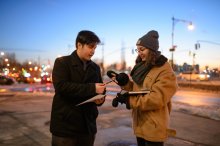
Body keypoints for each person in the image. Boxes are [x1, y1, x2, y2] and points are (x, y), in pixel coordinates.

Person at [111, 30, 178, 146]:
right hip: (140, 124)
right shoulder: (141, 66)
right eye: (138, 50)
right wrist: (125, 83)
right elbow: (138, 90)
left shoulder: (164, 69)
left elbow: (156, 98)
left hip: (154, 126)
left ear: (151, 50)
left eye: (142, 49)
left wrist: (129, 100)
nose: (139, 53)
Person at [50, 30, 106, 146]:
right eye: (91, 47)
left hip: (87, 126)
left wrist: (100, 99)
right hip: (66, 126)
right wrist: (92, 88)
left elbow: (100, 88)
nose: (93, 51)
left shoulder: (95, 68)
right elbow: (62, 87)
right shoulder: (62, 62)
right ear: (79, 45)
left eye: (95, 48)